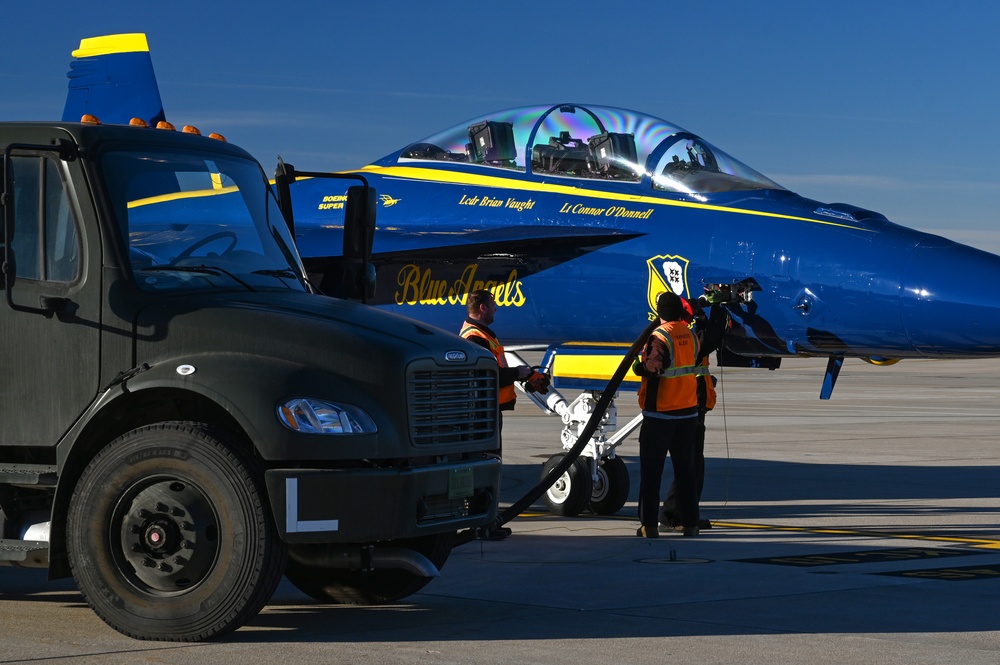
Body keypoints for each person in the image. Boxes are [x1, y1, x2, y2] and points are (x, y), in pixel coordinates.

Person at [460, 289, 538, 540]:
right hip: (482, 413)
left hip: (488, 411)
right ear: (482, 308)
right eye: (493, 305)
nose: (496, 309)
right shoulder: (475, 338)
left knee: (489, 467)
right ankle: (481, 524)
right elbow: (489, 374)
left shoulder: (482, 335)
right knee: (486, 469)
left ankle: (488, 522)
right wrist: (519, 373)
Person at [632, 291, 702, 538]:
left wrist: (637, 366)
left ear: (659, 312)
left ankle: (648, 526)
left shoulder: (660, 336)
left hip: (661, 415)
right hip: (687, 414)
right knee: (685, 473)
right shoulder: (689, 334)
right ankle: (690, 524)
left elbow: (654, 367)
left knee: (651, 474)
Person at [659, 296, 725, 531]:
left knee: (691, 463)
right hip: (690, 406)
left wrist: (702, 316)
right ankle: (675, 516)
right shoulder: (686, 338)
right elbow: (712, 337)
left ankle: (680, 514)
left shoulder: (678, 334)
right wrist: (720, 308)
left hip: (686, 404)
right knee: (691, 464)